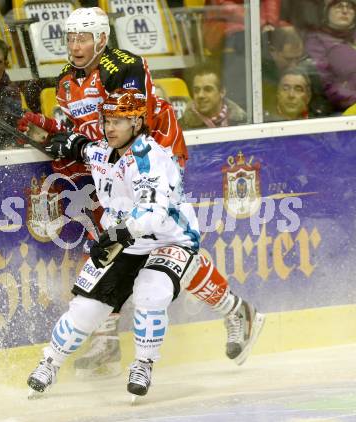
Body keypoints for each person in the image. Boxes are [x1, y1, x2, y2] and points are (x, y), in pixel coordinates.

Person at [26, 88, 265, 398]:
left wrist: (114, 235)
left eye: (118, 122)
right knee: (86, 309)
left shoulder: (149, 160)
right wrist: (72, 143)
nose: (110, 127)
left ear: (137, 123)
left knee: (151, 294)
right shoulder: (103, 149)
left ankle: (143, 363)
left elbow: (152, 214)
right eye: (107, 120)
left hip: (169, 239)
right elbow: (89, 150)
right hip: (128, 241)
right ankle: (50, 363)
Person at [17, 6, 186, 379]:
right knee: (109, 241)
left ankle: (228, 304)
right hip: (110, 165)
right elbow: (77, 128)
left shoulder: (123, 66)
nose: (75, 46)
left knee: (161, 234)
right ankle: (107, 339)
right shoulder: (64, 79)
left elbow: (127, 126)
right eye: (70, 38)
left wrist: (76, 144)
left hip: (153, 157)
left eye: (83, 38)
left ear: (102, 39)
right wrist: (50, 130)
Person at [262, 26, 332, 117]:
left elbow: (322, 104)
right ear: (272, 51)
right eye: (289, 59)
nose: (294, 65)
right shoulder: (257, 73)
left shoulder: (310, 70)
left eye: (298, 59)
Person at [305, 0, 356, 112]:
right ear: (326, 11)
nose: (345, 11)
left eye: (350, 7)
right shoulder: (317, 40)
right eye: (338, 6)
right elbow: (326, 84)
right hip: (341, 111)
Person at [179, 63, 247, 130]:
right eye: (196, 90)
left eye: (208, 89)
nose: (200, 95)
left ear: (222, 92)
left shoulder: (244, 122)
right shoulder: (179, 128)